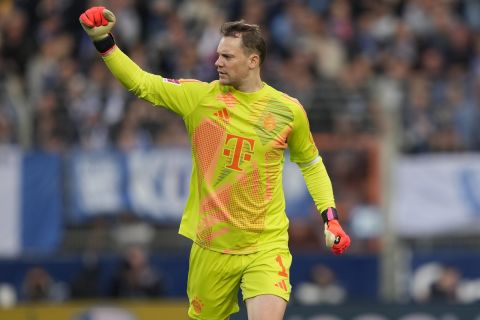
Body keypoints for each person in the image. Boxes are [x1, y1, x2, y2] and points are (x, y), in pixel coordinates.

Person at [79, 6, 351, 320]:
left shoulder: (288, 111)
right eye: (218, 55)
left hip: (266, 244)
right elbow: (141, 83)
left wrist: (329, 217)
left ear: (253, 61)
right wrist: (104, 44)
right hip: (212, 246)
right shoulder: (199, 98)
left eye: (227, 57)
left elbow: (312, 163)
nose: (217, 62)